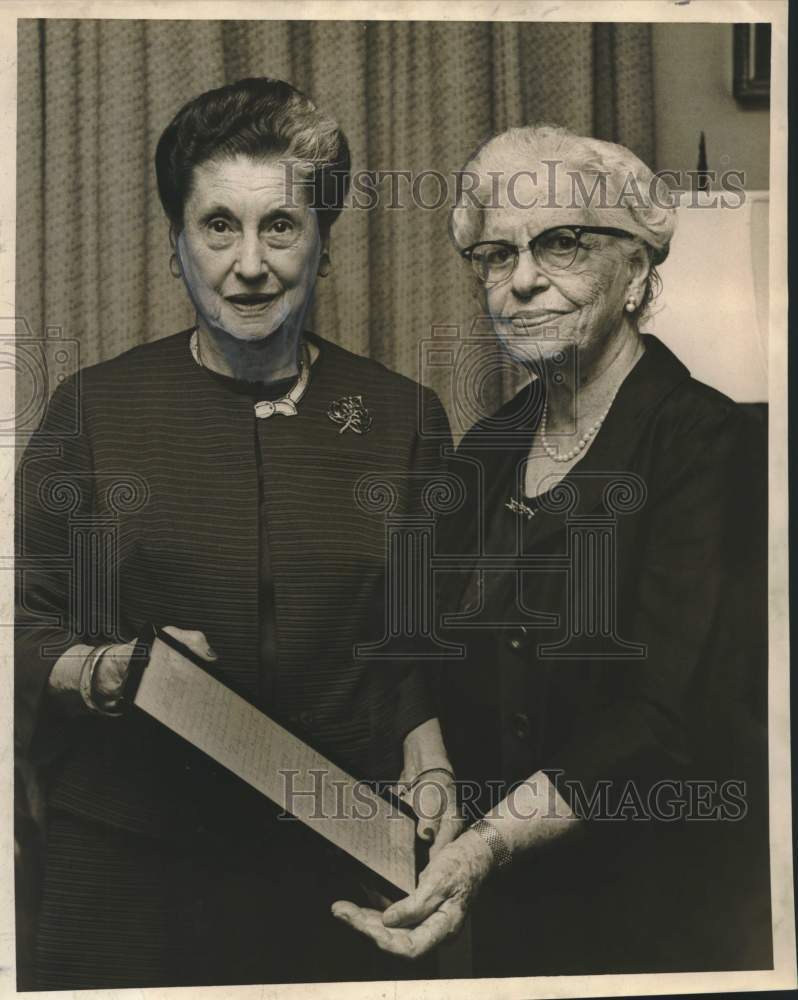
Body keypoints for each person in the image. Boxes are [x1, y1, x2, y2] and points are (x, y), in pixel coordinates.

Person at [15, 77, 460, 989]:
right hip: (127, 863)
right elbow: (21, 625)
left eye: (281, 228)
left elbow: (414, 649)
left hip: (337, 861)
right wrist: (110, 669)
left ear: (325, 246)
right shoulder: (92, 410)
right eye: (218, 227)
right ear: (176, 248)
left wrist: (434, 766)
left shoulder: (403, 418)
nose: (249, 263)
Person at [332, 124, 771, 974]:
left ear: (638, 270)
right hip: (508, 920)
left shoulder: (710, 444)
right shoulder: (490, 447)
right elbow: (400, 622)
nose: (522, 281)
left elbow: (665, 719)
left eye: (562, 243)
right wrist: (426, 751)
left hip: (662, 915)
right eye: (497, 255)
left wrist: (487, 845)